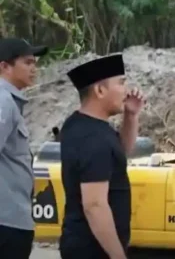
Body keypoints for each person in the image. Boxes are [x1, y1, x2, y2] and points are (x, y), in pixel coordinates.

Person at [58, 54, 145, 259]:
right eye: (121, 83)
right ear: (99, 90)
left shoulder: (82, 125)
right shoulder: (92, 138)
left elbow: (120, 153)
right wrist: (118, 256)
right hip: (93, 249)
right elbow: (94, 205)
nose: (126, 90)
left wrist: (131, 116)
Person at [0, 38, 48, 259]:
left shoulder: (10, 102)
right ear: (4, 66)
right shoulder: (3, 102)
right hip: (6, 223)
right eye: (27, 62)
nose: (33, 68)